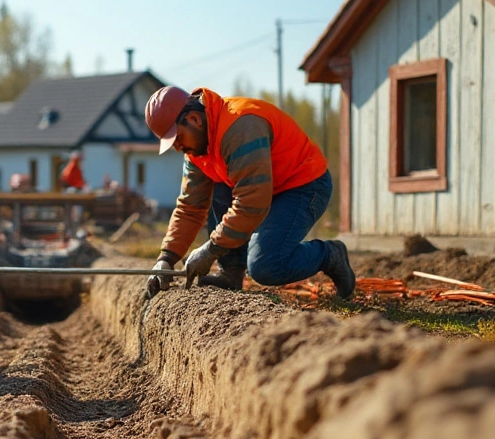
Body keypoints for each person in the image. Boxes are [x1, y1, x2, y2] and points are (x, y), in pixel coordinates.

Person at [143, 85, 355, 299]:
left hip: (303, 185)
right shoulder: (196, 150)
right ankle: (231, 273)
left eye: (177, 138)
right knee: (220, 185)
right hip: (264, 189)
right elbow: (190, 207)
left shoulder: (240, 126)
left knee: (266, 266)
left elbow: (252, 202)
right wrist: (166, 258)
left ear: (194, 120)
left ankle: (329, 255)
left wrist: (211, 249)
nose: (178, 148)